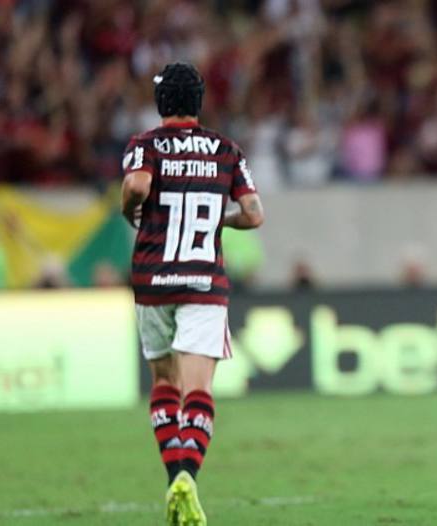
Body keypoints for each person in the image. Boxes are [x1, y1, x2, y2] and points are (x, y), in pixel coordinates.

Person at [120, 62, 264, 526]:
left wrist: (129, 209)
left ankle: (173, 479)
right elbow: (254, 213)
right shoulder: (226, 149)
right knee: (197, 390)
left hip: (152, 280)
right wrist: (218, 219)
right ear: (199, 102)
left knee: (163, 384)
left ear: (161, 102)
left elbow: (138, 185)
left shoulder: (145, 145)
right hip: (204, 281)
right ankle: (188, 476)